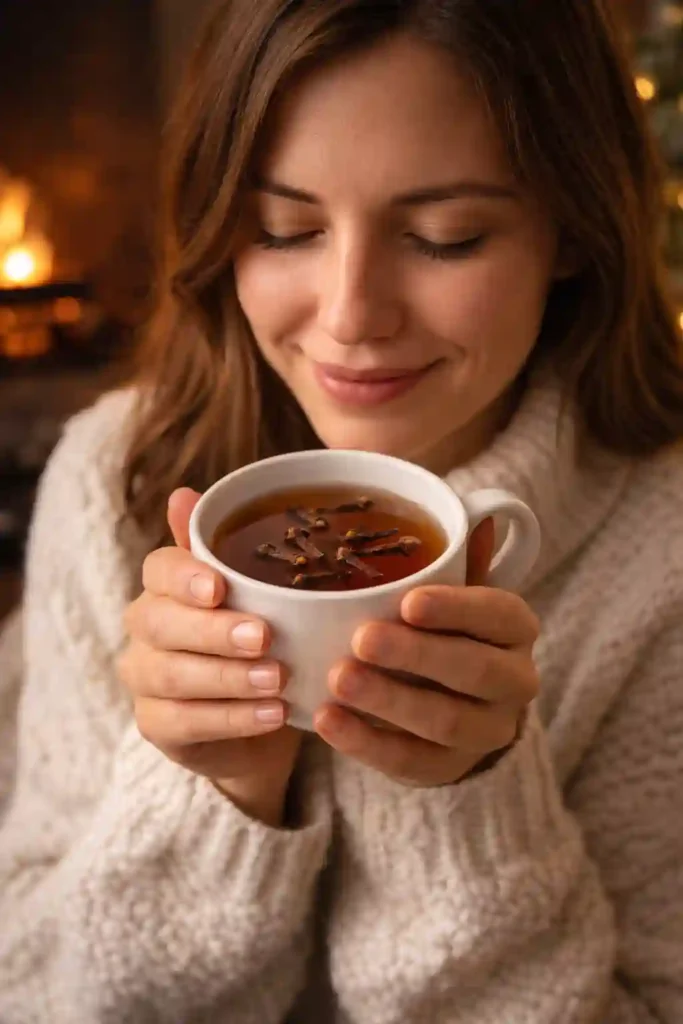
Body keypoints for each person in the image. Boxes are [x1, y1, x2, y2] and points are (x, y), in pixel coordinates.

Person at [1, 0, 682, 1020]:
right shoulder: (117, 477)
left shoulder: (661, 547)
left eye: (444, 238)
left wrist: (463, 798)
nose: (351, 314)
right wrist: (214, 794)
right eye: (284, 229)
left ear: (571, 231)